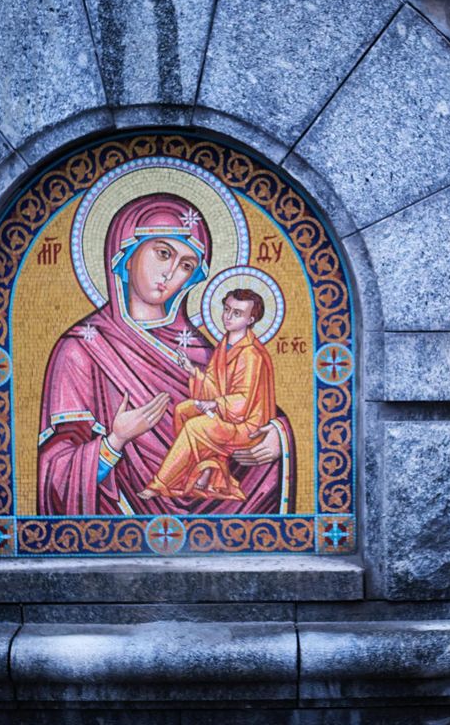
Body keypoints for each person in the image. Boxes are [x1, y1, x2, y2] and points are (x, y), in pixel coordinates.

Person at [37, 193, 296, 517]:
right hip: (120, 521)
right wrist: (115, 441)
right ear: (126, 255)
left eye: (186, 265)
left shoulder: (204, 348)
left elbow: (249, 405)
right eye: (163, 253)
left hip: (220, 527)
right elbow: (56, 470)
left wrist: (278, 437)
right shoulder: (82, 348)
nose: (171, 272)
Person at [138, 288, 277, 502]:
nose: (228, 317)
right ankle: (201, 469)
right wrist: (193, 371)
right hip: (226, 414)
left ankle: (160, 483)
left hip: (247, 425)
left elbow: (243, 401)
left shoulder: (251, 354)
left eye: (237, 313)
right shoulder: (225, 344)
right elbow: (214, 384)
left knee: (196, 426)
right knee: (183, 410)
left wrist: (213, 404)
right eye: (227, 309)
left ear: (251, 319)